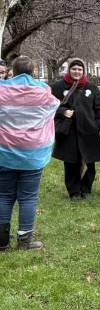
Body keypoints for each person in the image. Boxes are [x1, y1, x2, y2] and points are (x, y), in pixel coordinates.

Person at [0, 56, 59, 250]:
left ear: (13, 71)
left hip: (5, 152)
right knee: (28, 198)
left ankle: (2, 242)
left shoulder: (2, 89)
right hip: (33, 153)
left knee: (4, 196)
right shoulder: (43, 91)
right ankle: (24, 241)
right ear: (33, 72)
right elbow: (53, 107)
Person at [51, 58, 100, 200]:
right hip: (68, 131)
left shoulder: (91, 87)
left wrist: (97, 125)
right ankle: (74, 191)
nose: (77, 72)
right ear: (69, 70)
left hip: (88, 131)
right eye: (74, 69)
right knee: (71, 162)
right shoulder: (58, 87)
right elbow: (49, 107)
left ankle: (86, 187)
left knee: (90, 162)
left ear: (83, 71)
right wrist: (62, 112)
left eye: (80, 69)